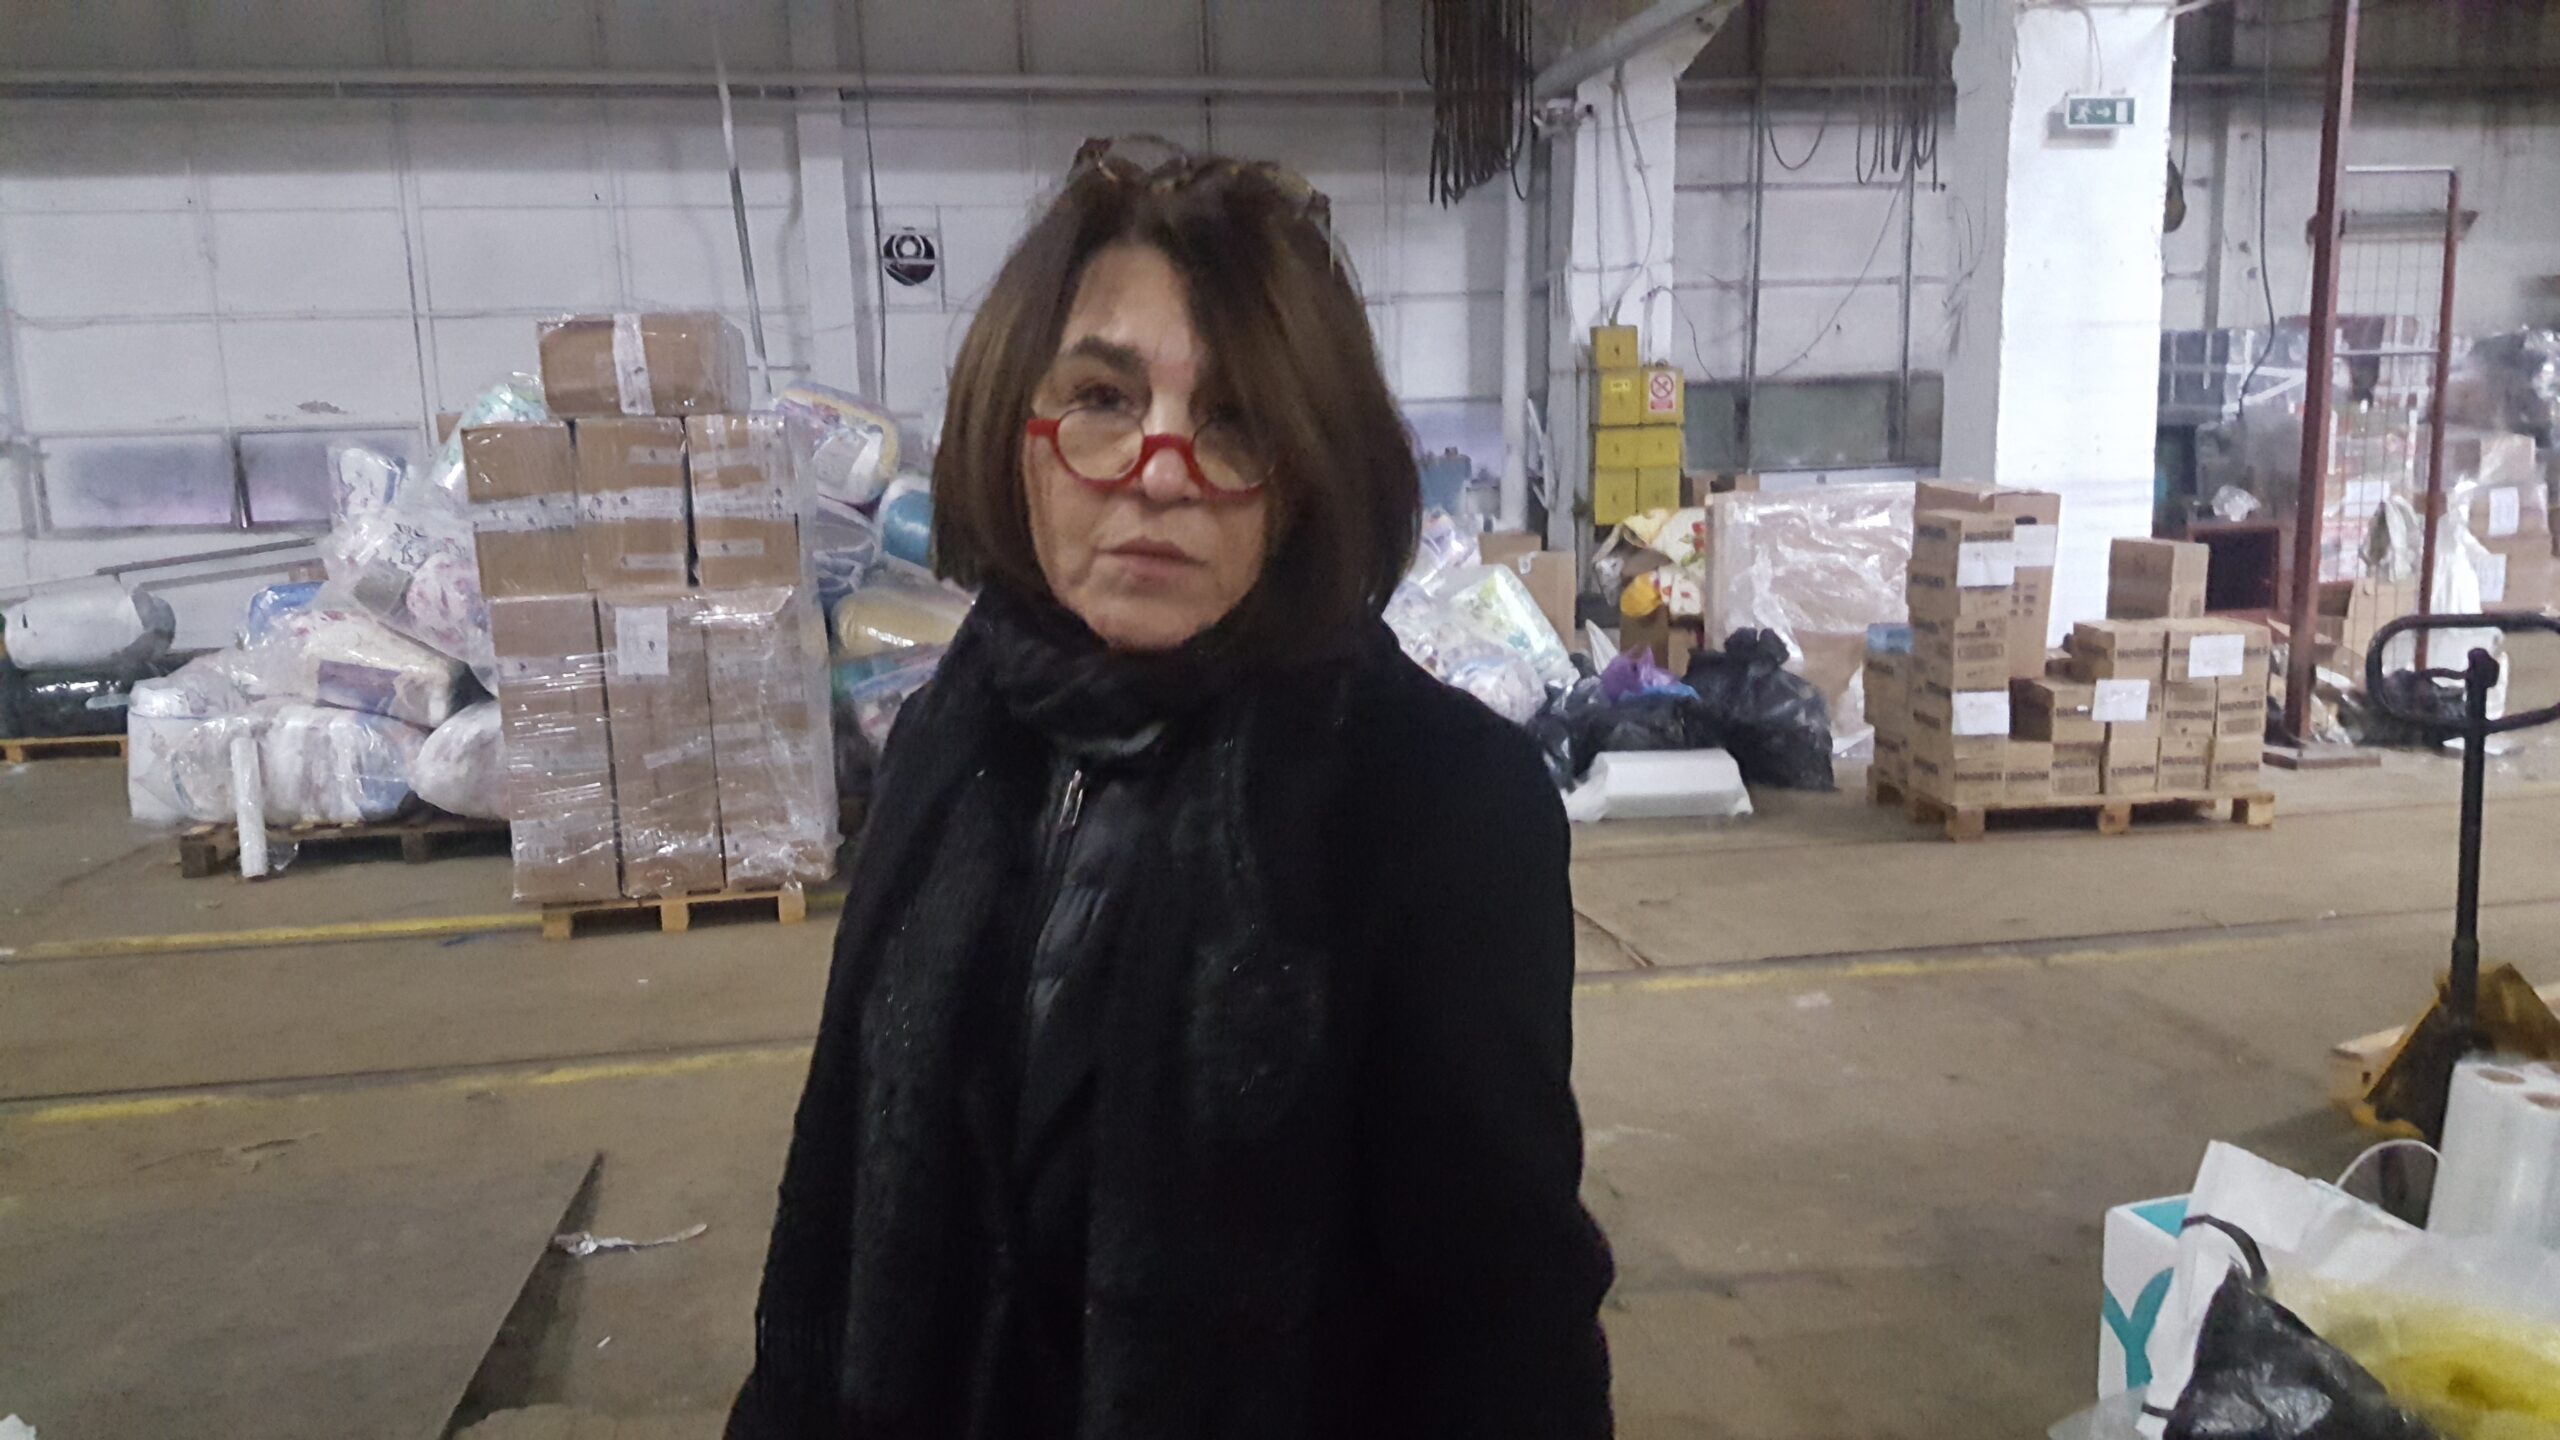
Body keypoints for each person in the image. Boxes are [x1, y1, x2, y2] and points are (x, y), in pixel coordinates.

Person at [730, 137, 1614, 1440]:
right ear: (1017, 428)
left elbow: (1505, 1328)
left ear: (1308, 473)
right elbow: (839, 1191)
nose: (1159, 470)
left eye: (1235, 420)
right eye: (1102, 396)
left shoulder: (1435, 806)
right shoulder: (953, 740)